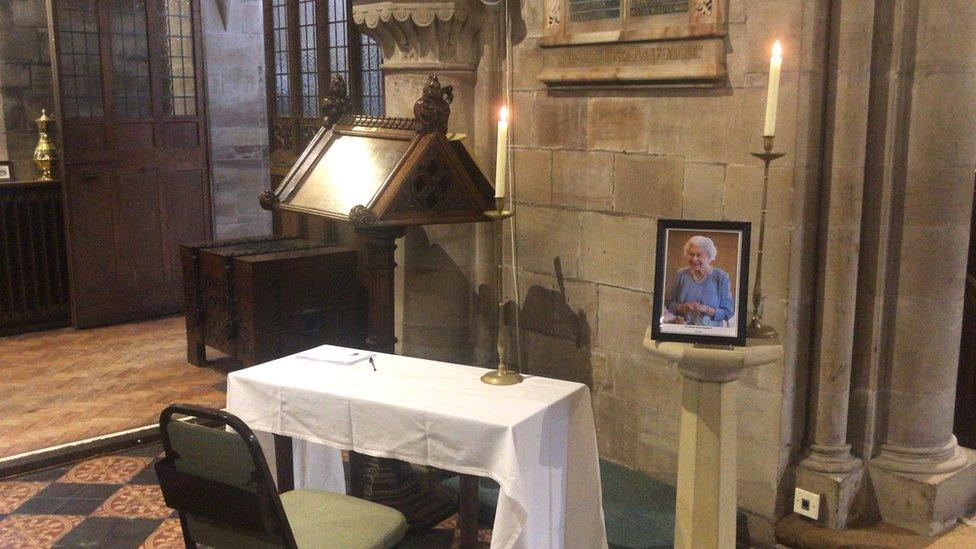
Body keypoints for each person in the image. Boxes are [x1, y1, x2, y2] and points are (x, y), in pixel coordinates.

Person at [665, 235, 735, 326]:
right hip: (683, 330)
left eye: (699, 255)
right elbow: (669, 303)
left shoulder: (721, 277)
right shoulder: (681, 274)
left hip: (711, 334)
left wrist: (706, 309)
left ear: (709, 257)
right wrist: (682, 307)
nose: (694, 259)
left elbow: (728, 312)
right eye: (691, 254)